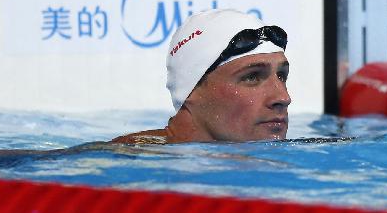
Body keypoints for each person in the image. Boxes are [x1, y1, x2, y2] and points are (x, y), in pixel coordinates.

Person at [113, 9, 292, 144]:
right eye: (252, 77)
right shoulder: (121, 161)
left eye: (281, 76)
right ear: (191, 90)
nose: (283, 98)